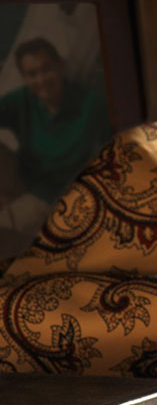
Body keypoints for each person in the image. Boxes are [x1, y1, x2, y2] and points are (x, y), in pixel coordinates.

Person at [0, 36, 114, 254]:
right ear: (24, 77)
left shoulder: (92, 106)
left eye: (47, 69)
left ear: (59, 66)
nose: (41, 79)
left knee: (3, 231)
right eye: (32, 74)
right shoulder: (23, 100)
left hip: (53, 192)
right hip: (22, 177)